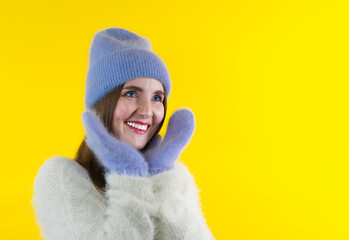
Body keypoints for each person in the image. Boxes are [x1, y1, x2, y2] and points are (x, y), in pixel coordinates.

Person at [32, 27, 215, 240]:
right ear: (102, 103)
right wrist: (130, 175)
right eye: (131, 93)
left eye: (157, 98)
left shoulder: (175, 179)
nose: (147, 111)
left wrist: (161, 178)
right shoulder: (60, 177)